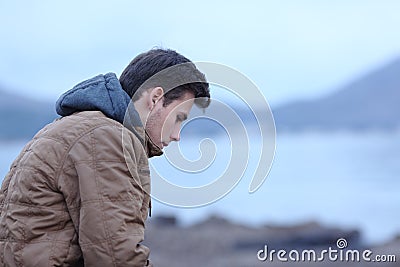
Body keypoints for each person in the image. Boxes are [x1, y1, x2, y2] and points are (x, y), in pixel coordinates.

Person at [0, 48, 210, 266]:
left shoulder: (79, 128)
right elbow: (115, 257)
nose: (177, 135)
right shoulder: (106, 138)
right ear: (156, 98)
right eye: (178, 118)